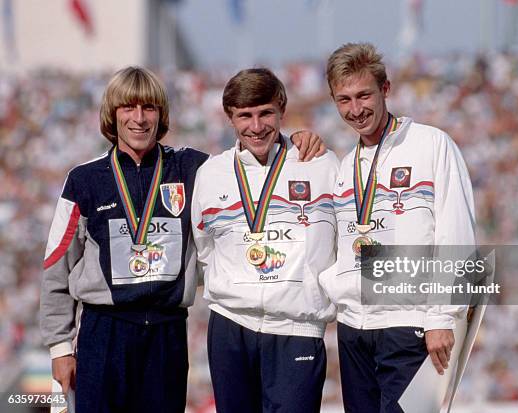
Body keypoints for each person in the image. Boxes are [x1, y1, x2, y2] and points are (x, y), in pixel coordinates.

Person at [40, 66, 324, 413]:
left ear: (162, 114)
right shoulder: (84, 180)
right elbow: (56, 266)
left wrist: (296, 141)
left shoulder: (194, 169)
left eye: (150, 108)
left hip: (166, 332)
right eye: (129, 108)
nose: (140, 119)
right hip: (104, 332)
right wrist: (60, 347)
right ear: (112, 115)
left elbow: (251, 162)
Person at [320, 43, 476, 412]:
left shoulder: (431, 144)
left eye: (364, 95)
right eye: (344, 100)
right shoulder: (345, 166)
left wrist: (441, 316)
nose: (356, 110)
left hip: (412, 324)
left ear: (385, 89)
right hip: (354, 330)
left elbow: (455, 235)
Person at [191, 68, 339, 413]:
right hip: (231, 325)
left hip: (296, 327)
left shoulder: (319, 164)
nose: (256, 127)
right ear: (230, 118)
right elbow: (205, 248)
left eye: (265, 113)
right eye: (245, 116)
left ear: (282, 111)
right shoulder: (211, 174)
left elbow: (342, 240)